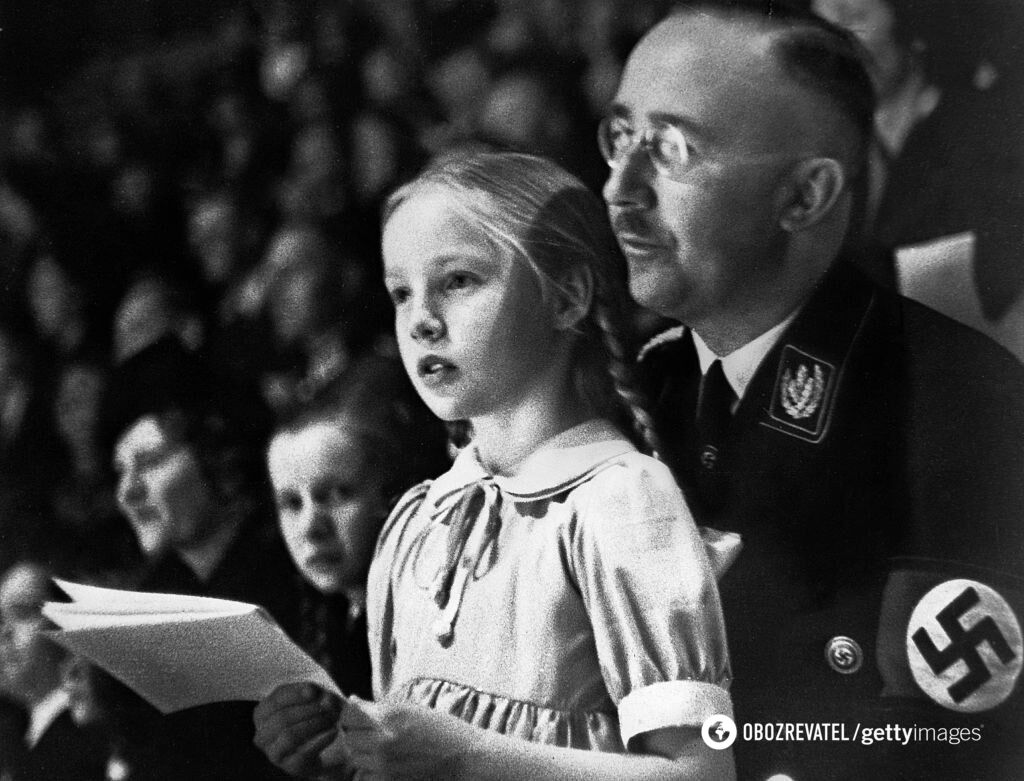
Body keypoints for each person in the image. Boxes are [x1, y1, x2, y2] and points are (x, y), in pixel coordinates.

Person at [600, 4, 1024, 779]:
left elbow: (949, 741)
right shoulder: (637, 392)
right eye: (621, 136)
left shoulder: (956, 406)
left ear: (804, 197)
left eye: (670, 148)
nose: (619, 189)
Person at [253, 150, 737, 780]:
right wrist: (340, 754)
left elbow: (701, 774)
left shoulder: (618, 502)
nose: (422, 321)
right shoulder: (413, 527)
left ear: (566, 296)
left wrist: (466, 757)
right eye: (401, 293)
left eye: (458, 281)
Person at [102, 334, 300, 780]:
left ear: (219, 455)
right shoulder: (142, 612)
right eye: (120, 470)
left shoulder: (299, 576)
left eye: (150, 461)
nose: (128, 492)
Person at [266, 353, 447, 698]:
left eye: (335, 495)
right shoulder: (323, 618)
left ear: (393, 493)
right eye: (291, 503)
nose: (310, 527)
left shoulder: (422, 622)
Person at [0, 561, 107, 781]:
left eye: (21, 614)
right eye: (0, 621)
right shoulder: (17, 739)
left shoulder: (89, 736)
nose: (5, 633)